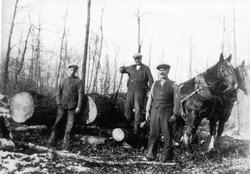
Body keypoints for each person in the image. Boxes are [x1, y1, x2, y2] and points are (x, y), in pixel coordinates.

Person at [145, 64, 181, 162]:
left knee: (167, 135)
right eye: (160, 70)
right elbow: (150, 98)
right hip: (155, 112)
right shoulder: (154, 84)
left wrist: (175, 114)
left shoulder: (173, 84)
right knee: (153, 134)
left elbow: (177, 101)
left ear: (168, 71)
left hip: (167, 113)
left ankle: (167, 157)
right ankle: (151, 155)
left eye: (164, 70)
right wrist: (147, 111)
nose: (162, 72)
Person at [48, 64, 83, 149]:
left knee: (70, 126)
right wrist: (59, 103)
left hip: (72, 107)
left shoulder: (78, 81)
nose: (72, 71)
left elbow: (80, 95)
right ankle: (51, 142)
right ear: (68, 70)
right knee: (57, 123)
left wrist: (79, 106)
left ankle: (65, 146)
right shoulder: (63, 80)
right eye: (71, 69)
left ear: (76, 71)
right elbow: (58, 93)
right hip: (62, 106)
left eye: (74, 70)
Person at [120, 53, 154, 134]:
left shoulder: (146, 68)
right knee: (127, 107)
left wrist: (150, 90)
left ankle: (136, 130)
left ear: (141, 59)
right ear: (134, 60)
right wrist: (121, 69)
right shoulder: (131, 67)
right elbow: (123, 70)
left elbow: (150, 80)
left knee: (138, 109)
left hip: (140, 91)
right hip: (130, 91)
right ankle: (126, 129)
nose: (137, 60)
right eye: (136, 59)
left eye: (138, 59)